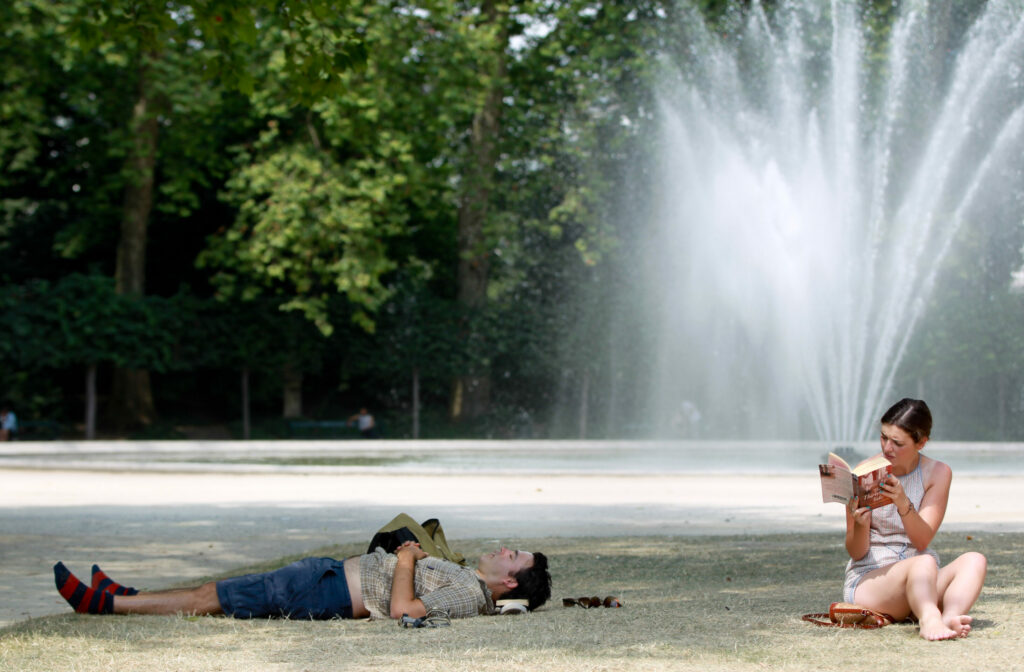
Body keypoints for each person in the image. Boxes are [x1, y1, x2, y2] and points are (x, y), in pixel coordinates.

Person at [54, 541, 551, 621]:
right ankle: (127, 596)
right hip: (327, 576)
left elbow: (404, 612)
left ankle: (102, 606)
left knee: (216, 598)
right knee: (219, 590)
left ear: (509, 583)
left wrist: (405, 559)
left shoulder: (469, 594)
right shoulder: (468, 578)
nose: (505, 549)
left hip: (328, 591)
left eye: (514, 557)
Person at [842, 398, 987, 640]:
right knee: (924, 562)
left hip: (921, 581)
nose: (887, 448)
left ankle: (950, 616)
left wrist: (902, 503)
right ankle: (929, 618)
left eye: (897, 442)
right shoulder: (864, 473)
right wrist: (859, 524)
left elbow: (921, 540)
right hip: (873, 582)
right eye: (883, 437)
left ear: (921, 442)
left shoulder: (937, 473)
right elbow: (855, 552)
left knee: (974, 560)